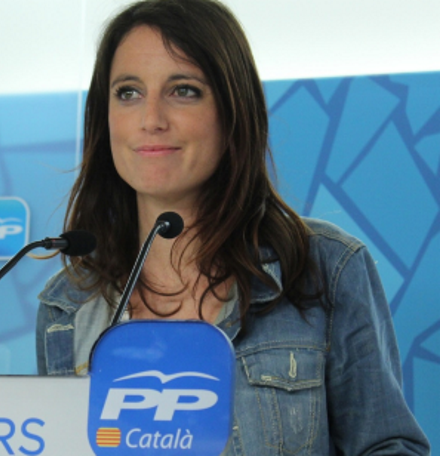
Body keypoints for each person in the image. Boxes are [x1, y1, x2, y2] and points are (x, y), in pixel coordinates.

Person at [35, 0, 431, 454]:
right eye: (128, 92)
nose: (151, 120)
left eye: (183, 90)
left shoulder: (327, 268)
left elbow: (389, 447)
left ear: (233, 109)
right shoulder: (66, 306)